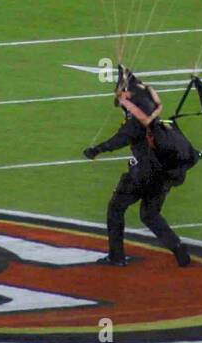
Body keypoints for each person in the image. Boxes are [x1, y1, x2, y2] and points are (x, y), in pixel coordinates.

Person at [82, 75, 194, 268]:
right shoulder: (155, 120)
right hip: (162, 175)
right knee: (150, 214)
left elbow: (120, 139)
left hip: (142, 174)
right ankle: (177, 247)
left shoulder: (136, 123)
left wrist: (96, 150)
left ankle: (117, 257)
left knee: (116, 208)